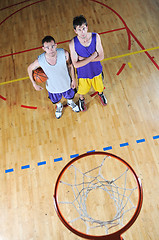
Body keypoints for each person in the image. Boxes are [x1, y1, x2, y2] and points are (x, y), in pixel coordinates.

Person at [27, 35, 80, 119]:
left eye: (52, 46)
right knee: (56, 100)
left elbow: (70, 65)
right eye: (47, 48)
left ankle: (70, 102)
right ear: (43, 48)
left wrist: (73, 79)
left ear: (56, 45)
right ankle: (59, 106)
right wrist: (34, 84)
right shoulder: (40, 61)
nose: (50, 49)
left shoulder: (64, 54)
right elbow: (29, 68)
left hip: (66, 83)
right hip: (53, 88)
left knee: (70, 96)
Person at [69, 15, 107, 111]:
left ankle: (101, 94)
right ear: (75, 31)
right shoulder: (72, 43)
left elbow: (101, 57)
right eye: (79, 30)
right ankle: (81, 99)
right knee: (82, 90)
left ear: (87, 27)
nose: (82, 32)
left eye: (84, 28)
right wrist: (94, 56)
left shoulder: (95, 36)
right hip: (83, 73)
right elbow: (75, 64)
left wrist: (82, 59)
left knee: (100, 87)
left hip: (96, 70)